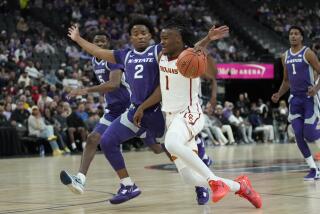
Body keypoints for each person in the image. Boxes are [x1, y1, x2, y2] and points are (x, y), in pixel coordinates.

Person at [64, 17, 212, 205]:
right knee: (107, 141)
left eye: (144, 33)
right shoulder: (124, 55)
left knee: (175, 153)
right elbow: (97, 51)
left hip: (160, 111)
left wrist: (207, 38)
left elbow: (189, 52)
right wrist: (77, 39)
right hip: (134, 111)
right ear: (130, 37)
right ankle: (128, 185)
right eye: (136, 34)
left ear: (151, 36)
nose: (140, 36)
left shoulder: (159, 50)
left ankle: (201, 184)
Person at [157, 19, 261, 207]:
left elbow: (196, 48)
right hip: (171, 118)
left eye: (166, 38)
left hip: (189, 112)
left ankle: (213, 180)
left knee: (171, 143)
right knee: (188, 178)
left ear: (180, 41)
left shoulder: (190, 56)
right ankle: (241, 187)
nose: (162, 41)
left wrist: (208, 39)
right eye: (161, 38)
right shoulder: (161, 56)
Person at [60, 31, 130, 193]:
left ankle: (190, 158)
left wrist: (85, 90)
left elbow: (113, 85)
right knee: (92, 139)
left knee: (156, 146)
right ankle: (80, 179)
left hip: (130, 108)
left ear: (108, 44)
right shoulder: (93, 60)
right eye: (96, 41)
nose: (99, 44)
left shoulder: (113, 59)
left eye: (102, 41)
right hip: (113, 110)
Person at [271, 26, 320, 180]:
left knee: (310, 134)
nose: (293, 36)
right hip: (295, 99)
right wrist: (279, 94)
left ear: (301, 37)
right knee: (298, 135)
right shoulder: (284, 56)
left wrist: (316, 88)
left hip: (309, 98)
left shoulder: (308, 53)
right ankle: (314, 169)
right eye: (291, 34)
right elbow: (286, 81)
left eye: (296, 34)